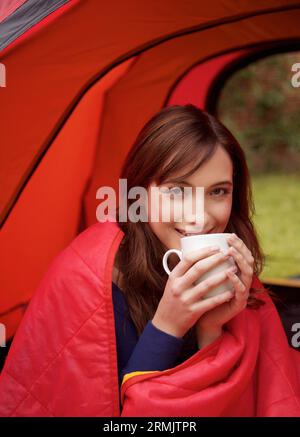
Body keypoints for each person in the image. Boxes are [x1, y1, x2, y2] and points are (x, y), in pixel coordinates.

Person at [0, 105, 299, 417]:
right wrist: (167, 326)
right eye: (177, 191)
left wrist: (210, 332)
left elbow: (248, 400)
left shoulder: (232, 266)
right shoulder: (88, 278)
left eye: (218, 191)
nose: (200, 217)